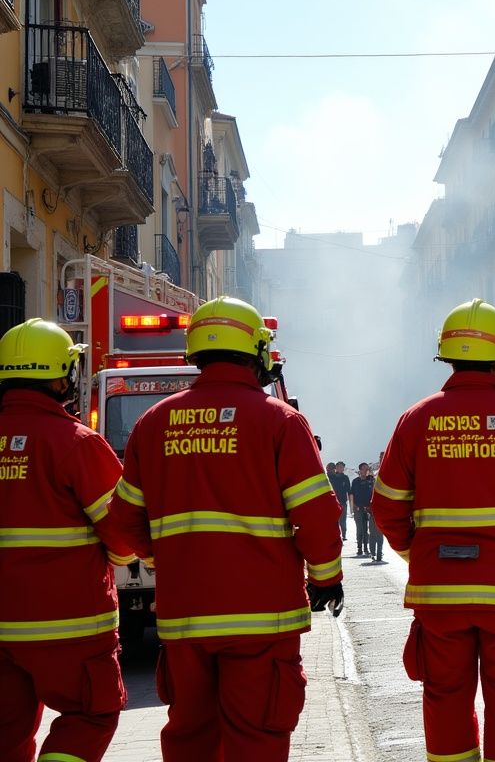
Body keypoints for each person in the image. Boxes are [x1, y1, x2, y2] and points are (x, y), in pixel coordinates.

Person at [107, 297, 344, 761]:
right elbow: (315, 515)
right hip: (263, 617)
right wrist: (326, 578)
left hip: (184, 617)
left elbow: (123, 520)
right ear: (258, 353)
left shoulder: (153, 423)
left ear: (196, 353)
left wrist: (164, 557)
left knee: (191, 738)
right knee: (256, 736)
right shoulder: (281, 421)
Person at [369, 298, 495, 762]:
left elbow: (385, 506)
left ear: (446, 353)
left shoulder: (416, 419)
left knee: (444, 696)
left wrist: (415, 552)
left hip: (440, 590)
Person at [0, 319, 136, 762]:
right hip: (69, 625)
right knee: (91, 715)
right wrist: (121, 554)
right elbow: (121, 533)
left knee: (6, 732)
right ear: (65, 375)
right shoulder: (75, 443)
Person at [350, 462, 380, 563]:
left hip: (370, 509)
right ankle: (360, 548)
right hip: (358, 508)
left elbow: (376, 492)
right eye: (364, 469)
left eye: (367, 469)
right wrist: (354, 507)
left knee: (370, 530)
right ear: (360, 470)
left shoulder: (371, 480)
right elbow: (352, 495)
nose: (366, 470)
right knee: (360, 529)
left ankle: (367, 548)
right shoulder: (355, 481)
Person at [330, 461, 352, 543]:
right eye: (339, 466)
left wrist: (351, 503)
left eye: (342, 467)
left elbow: (349, 490)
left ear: (343, 468)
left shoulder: (345, 478)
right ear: (336, 468)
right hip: (333, 502)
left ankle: (344, 535)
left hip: (343, 502)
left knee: (343, 520)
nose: (340, 468)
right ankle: (335, 535)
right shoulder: (331, 477)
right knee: (334, 520)